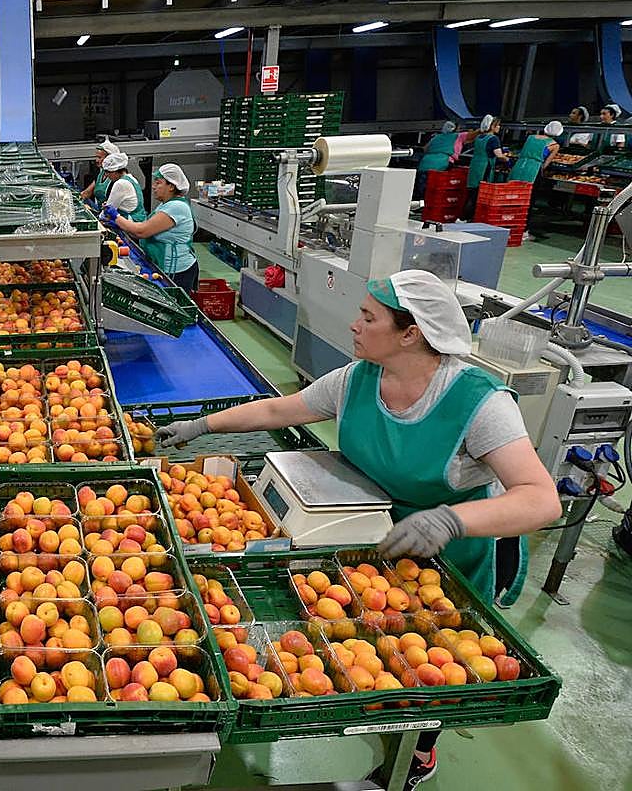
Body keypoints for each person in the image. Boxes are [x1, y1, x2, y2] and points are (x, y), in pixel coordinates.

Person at [156, 269, 558, 788]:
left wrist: (450, 519)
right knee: (372, 650)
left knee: (434, 673)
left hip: (447, 560)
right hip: (368, 542)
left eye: (368, 317)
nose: (354, 325)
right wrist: (201, 426)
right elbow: (281, 408)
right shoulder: (358, 379)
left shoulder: (478, 401)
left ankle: (417, 754)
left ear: (410, 333)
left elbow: (540, 497)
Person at [103, 163, 198, 292]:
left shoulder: (176, 207)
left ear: (171, 186)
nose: (153, 187)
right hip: (161, 265)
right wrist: (121, 224)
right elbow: (141, 231)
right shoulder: (165, 205)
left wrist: (116, 217)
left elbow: (142, 231)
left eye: (158, 183)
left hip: (175, 271)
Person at [463, 115, 509, 220]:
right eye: (497, 125)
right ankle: (470, 218)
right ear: (492, 126)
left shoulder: (479, 137)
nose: (499, 127)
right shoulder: (493, 139)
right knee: (479, 195)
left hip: (474, 167)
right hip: (484, 169)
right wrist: (507, 159)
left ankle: (464, 218)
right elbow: (499, 155)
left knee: (472, 193)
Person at [414, 121, 460, 199]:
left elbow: (425, 149)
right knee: (432, 190)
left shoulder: (436, 137)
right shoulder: (455, 138)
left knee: (422, 189)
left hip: (424, 165)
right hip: (439, 167)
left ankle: (421, 203)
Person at [100, 151, 147, 221]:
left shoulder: (120, 183)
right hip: (140, 220)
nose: (106, 175)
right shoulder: (131, 178)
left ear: (116, 171)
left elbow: (107, 213)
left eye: (108, 172)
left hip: (130, 225)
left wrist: (101, 216)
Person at [80, 138, 120, 207]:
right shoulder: (100, 173)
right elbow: (87, 193)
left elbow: (112, 207)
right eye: (96, 157)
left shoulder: (115, 178)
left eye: (99, 157)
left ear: (109, 158)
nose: (96, 160)